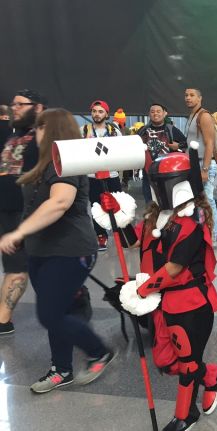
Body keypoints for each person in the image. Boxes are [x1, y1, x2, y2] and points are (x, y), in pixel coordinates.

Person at [100, 148, 217, 431]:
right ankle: (211, 375)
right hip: (160, 302)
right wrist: (116, 215)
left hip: (189, 304)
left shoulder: (193, 223)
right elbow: (133, 242)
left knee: (188, 363)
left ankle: (185, 416)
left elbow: (174, 268)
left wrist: (140, 291)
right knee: (166, 361)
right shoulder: (154, 219)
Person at [0, 108, 116, 392]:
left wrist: (20, 232)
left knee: (50, 314)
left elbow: (59, 203)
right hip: (42, 251)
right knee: (59, 310)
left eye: (41, 126)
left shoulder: (66, 163)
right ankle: (61, 369)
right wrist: (25, 234)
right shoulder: (44, 163)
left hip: (70, 250)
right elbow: (35, 205)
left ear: (53, 130)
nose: (35, 132)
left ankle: (99, 351)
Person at [0, 89, 44, 335]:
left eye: (20, 104)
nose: (13, 108)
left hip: (27, 212)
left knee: (22, 266)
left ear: (37, 108)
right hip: (6, 210)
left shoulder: (43, 136)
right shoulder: (12, 135)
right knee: (14, 264)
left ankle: (3, 321)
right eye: (12, 104)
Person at [82, 100, 123, 251]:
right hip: (92, 176)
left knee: (118, 203)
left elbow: (121, 149)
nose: (97, 114)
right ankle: (101, 235)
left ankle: (121, 233)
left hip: (111, 175)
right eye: (94, 111)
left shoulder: (114, 131)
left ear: (107, 114)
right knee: (96, 206)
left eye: (100, 111)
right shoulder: (84, 130)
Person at [184, 88, 217, 242]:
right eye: (186, 95)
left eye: (192, 95)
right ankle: (200, 233)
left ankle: (212, 235)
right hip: (193, 162)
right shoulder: (192, 116)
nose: (188, 98)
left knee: (208, 200)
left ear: (199, 98)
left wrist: (205, 169)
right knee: (197, 200)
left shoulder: (204, 116)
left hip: (203, 163)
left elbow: (209, 143)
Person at [136, 103, 188, 203]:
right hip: (148, 174)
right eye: (152, 111)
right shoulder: (143, 130)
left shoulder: (172, 129)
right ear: (149, 114)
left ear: (165, 113)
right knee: (150, 204)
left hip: (167, 174)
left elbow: (186, 144)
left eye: (158, 111)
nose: (155, 114)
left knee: (167, 203)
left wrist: (178, 146)